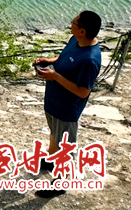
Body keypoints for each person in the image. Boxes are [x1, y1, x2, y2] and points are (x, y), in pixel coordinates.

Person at [33, 10, 102, 199]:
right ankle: (50, 160)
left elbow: (83, 91)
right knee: (54, 133)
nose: (71, 24)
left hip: (67, 109)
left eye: (74, 22)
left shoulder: (89, 60)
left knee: (65, 145)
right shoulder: (76, 40)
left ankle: (60, 183)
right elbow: (63, 58)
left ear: (83, 31)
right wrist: (49, 61)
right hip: (54, 102)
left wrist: (55, 76)